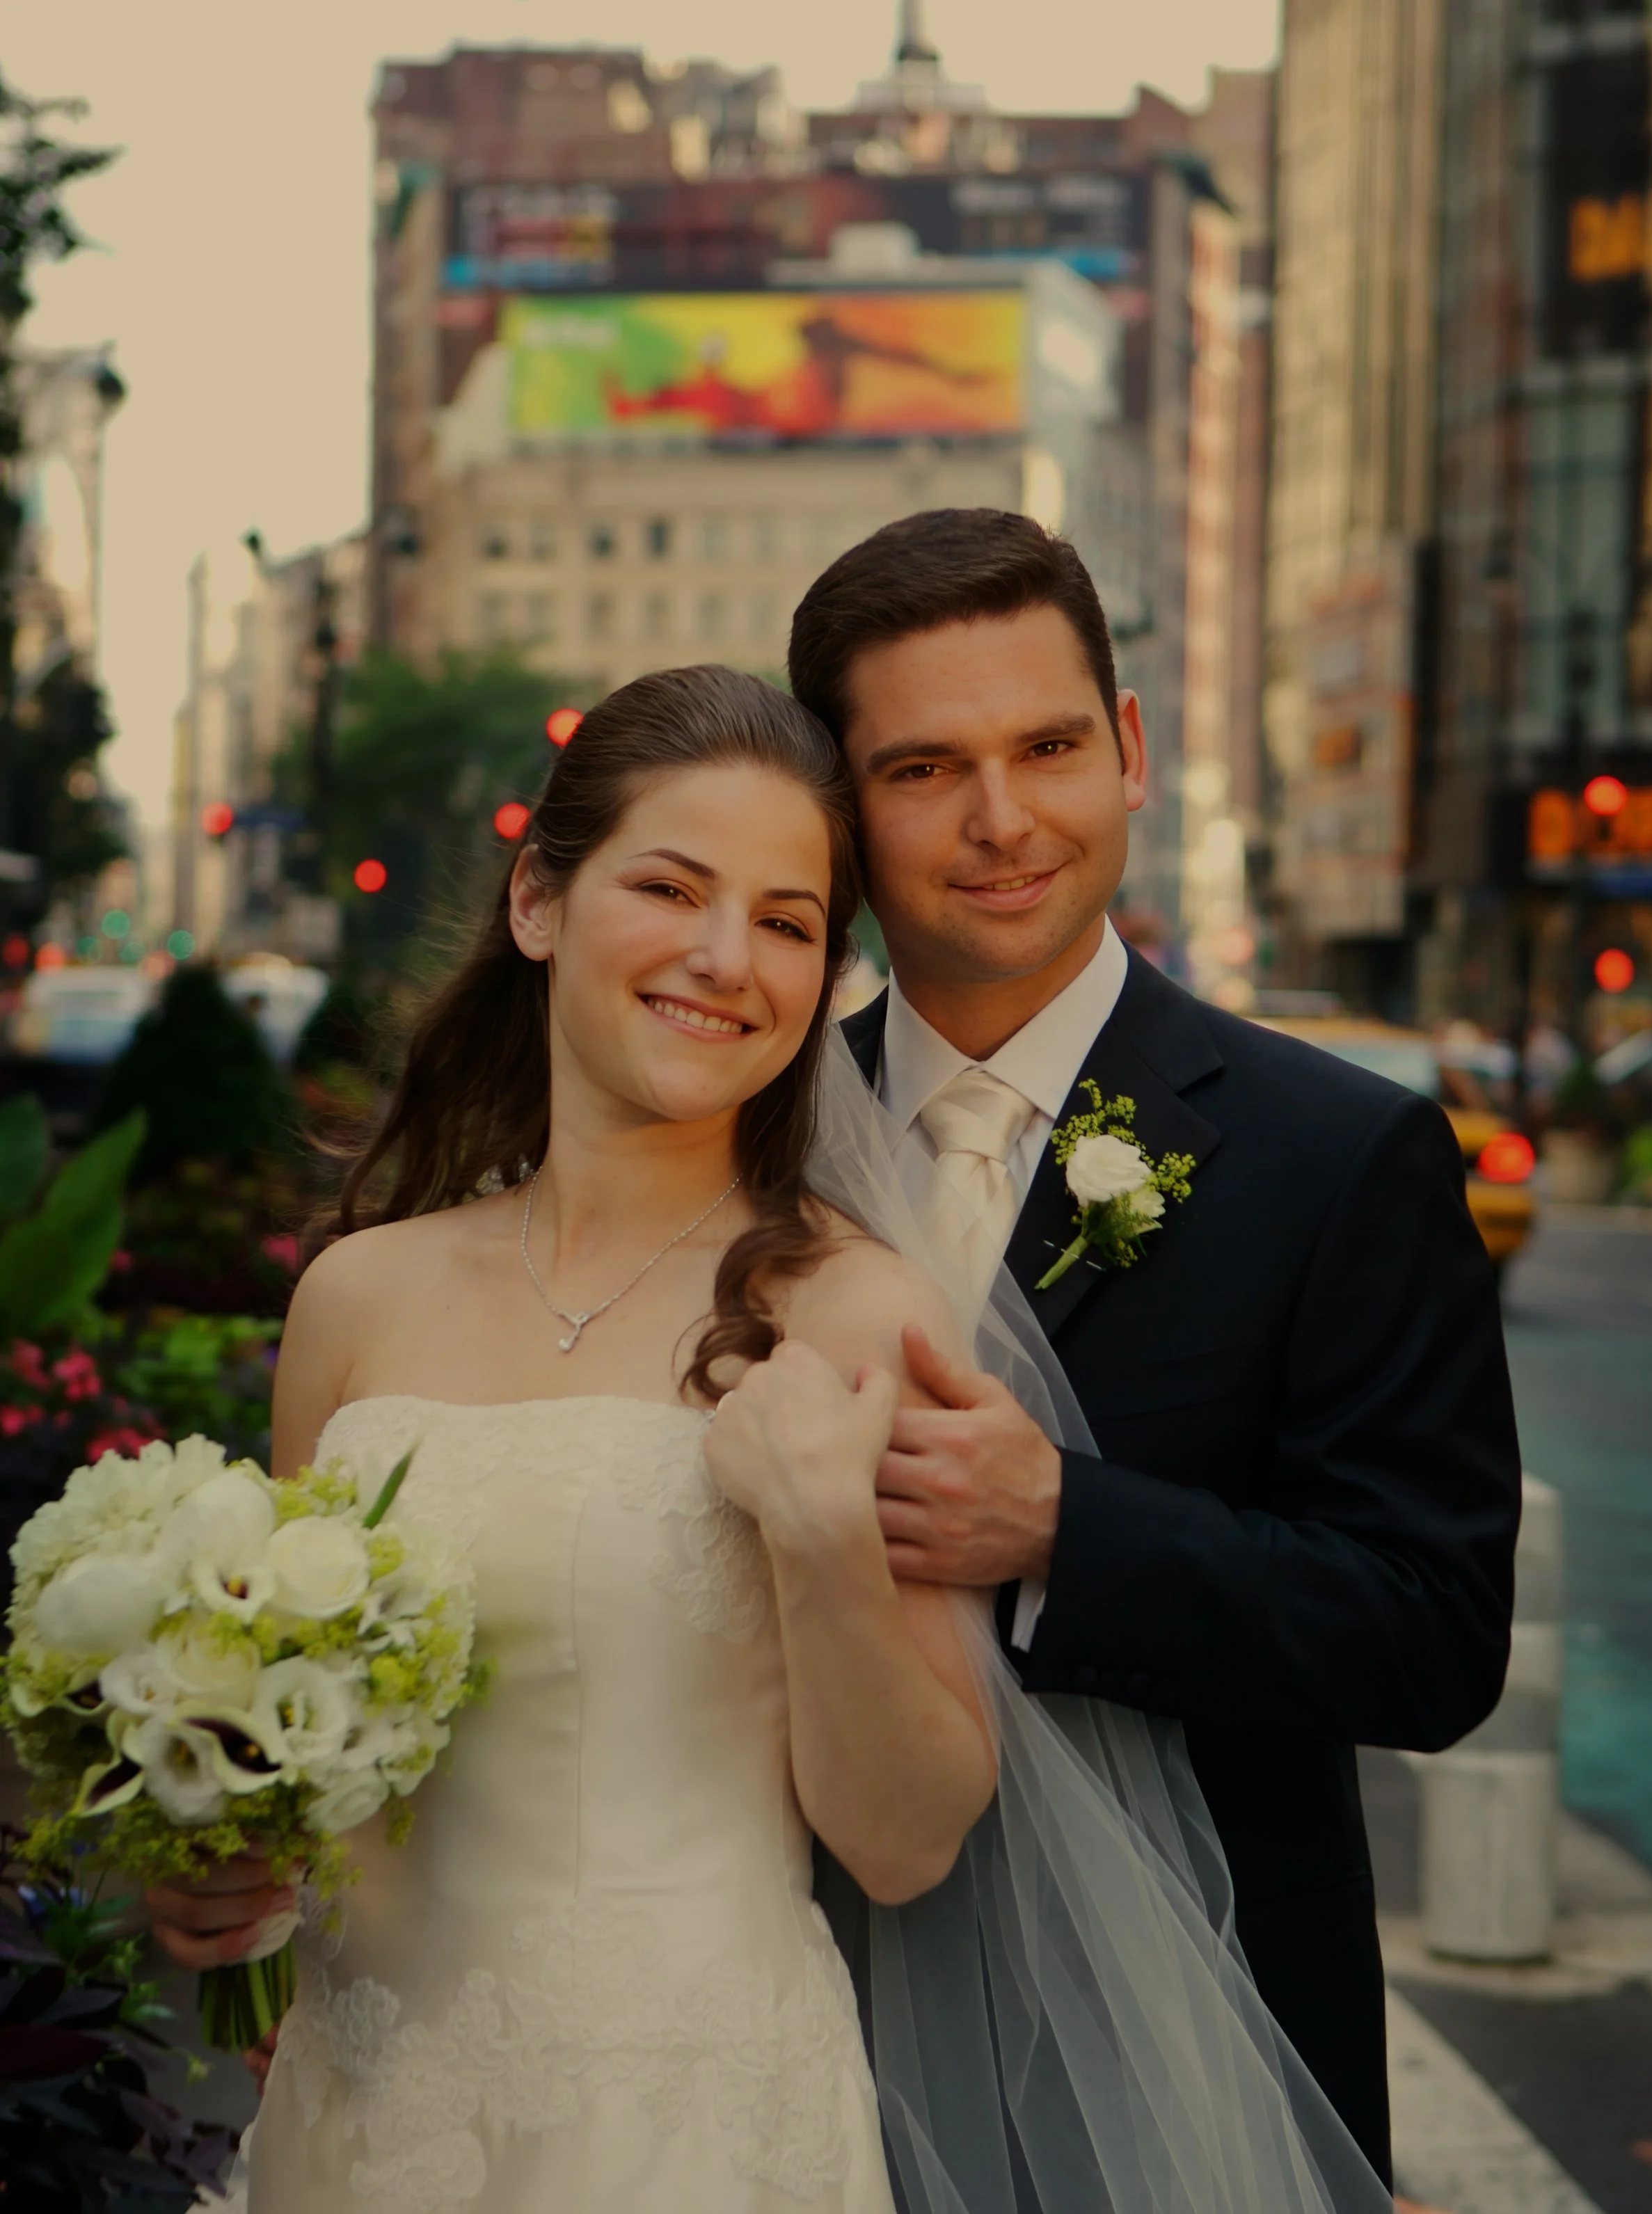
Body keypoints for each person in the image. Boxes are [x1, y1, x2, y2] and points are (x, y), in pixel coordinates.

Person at [143, 659, 1397, 2214]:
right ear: (539, 899)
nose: (724, 959)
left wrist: (815, 1534)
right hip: (362, 2117)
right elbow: (292, 1755)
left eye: (790, 922)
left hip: (693, 2132)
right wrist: (213, 1866)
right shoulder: (353, 1296)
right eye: (669, 887)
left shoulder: (857, 1311)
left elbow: (904, 1841)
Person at [784, 509, 1523, 2188]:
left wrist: (1063, 1524)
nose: (1000, 820)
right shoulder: (745, 1147)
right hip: (792, 2042)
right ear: (837, 810)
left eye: (1046, 745)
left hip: (1192, 2061)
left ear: (1126, 750)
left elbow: (1429, 1633)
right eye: (921, 768)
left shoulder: (1338, 1156)